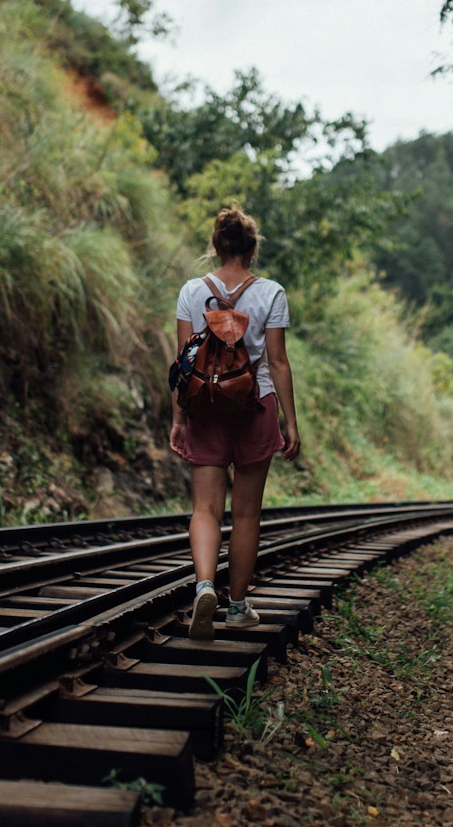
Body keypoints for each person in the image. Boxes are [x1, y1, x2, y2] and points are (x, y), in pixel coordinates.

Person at [170, 206, 301, 640]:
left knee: (205, 508)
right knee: (246, 514)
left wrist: (178, 417)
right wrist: (290, 422)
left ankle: (205, 584)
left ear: (216, 246)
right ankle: (238, 606)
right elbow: (278, 362)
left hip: (205, 407)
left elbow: (185, 361)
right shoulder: (271, 293)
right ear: (252, 248)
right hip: (255, 406)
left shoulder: (192, 290)